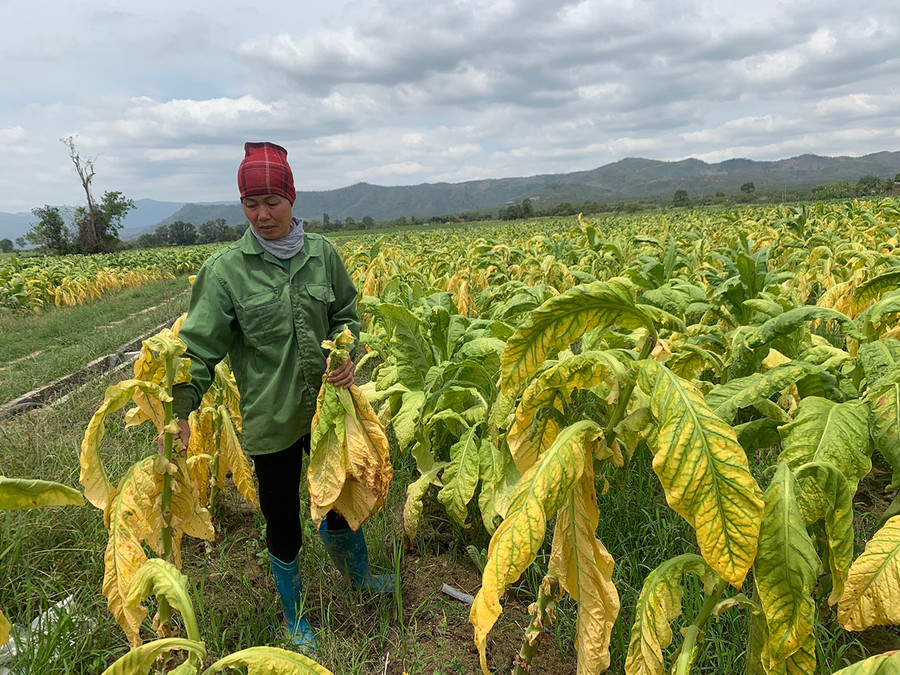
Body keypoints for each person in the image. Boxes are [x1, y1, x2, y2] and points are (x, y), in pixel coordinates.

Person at [167, 142, 393, 652]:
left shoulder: (322, 256)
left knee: (337, 494)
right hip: (271, 419)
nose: (262, 214)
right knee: (283, 518)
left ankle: (357, 576)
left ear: (292, 198)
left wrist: (348, 349)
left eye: (272, 200)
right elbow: (198, 349)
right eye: (251, 203)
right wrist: (181, 409)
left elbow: (347, 314)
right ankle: (294, 616)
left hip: (328, 412)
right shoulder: (225, 271)